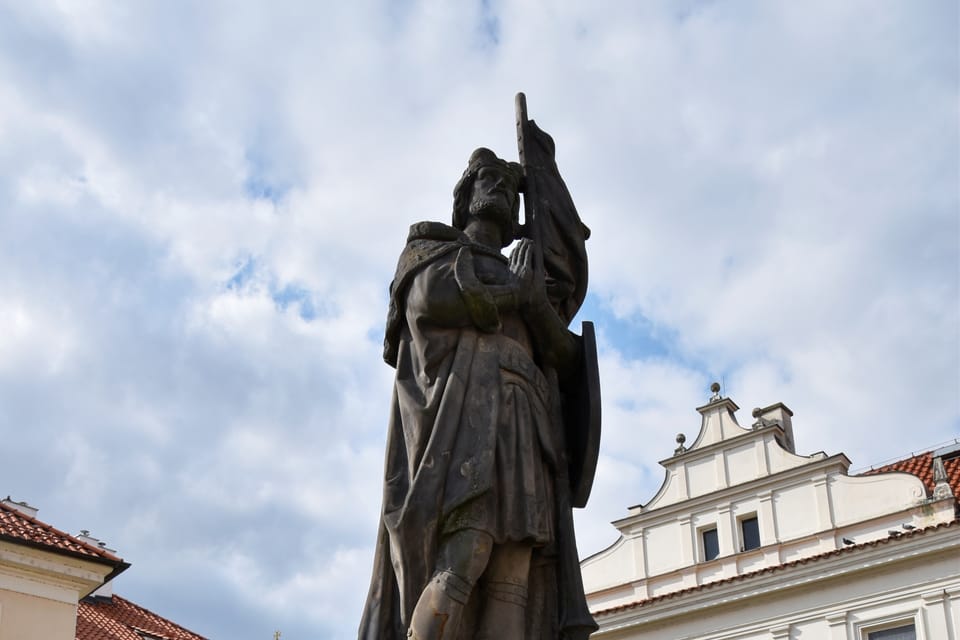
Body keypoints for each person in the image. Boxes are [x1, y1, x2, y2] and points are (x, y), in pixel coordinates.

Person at [360, 148, 596, 640]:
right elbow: (429, 301)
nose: (499, 190)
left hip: (526, 418)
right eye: (487, 180)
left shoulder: (530, 272)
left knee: (515, 569)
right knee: (468, 550)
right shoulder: (432, 250)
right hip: (464, 419)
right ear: (464, 197)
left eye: (509, 186)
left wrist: (535, 302)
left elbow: (565, 355)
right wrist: (514, 292)